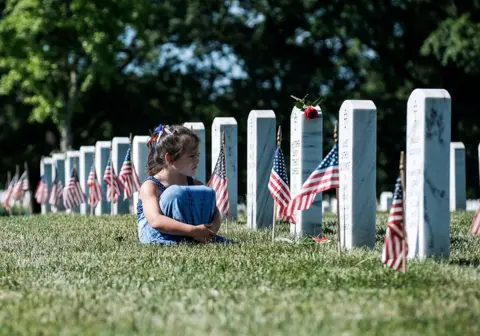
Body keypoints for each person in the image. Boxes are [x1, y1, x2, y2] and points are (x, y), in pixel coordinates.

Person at [136, 124, 232, 245]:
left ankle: (194, 238)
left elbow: (215, 211)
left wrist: (211, 228)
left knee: (206, 192)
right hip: (157, 235)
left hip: (193, 234)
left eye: (198, 155)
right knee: (174, 193)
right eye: (191, 156)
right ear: (170, 158)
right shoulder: (151, 186)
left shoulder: (195, 184)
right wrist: (193, 230)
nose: (197, 160)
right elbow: (155, 220)